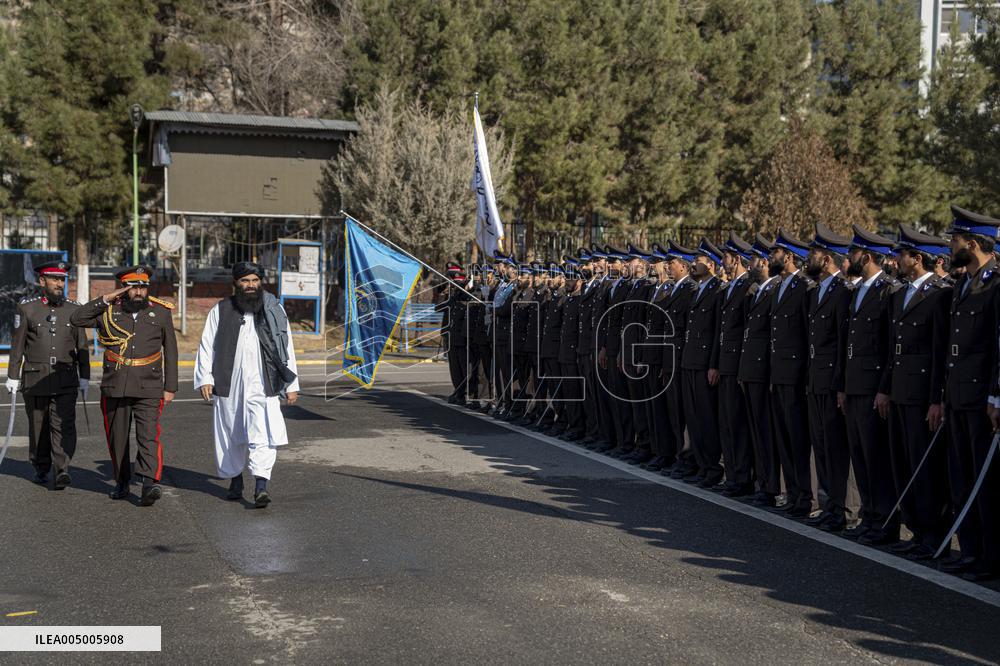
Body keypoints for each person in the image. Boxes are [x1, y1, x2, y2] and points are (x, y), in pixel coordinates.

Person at [193, 262, 300, 508]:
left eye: (254, 280)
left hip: (265, 382)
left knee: (263, 431)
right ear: (236, 283)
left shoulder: (274, 309)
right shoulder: (221, 309)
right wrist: (206, 378)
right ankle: (235, 479)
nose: (250, 285)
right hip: (229, 382)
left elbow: (287, 348)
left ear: (260, 282)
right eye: (245, 281)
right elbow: (206, 346)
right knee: (231, 433)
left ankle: (261, 485)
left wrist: (291, 383)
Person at [71, 266, 178, 505]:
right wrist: (106, 298)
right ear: (123, 287)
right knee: (117, 437)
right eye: (133, 286)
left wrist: (170, 386)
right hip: (116, 383)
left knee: (149, 435)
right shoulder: (108, 310)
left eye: (142, 286)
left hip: (149, 384)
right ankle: (122, 481)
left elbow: (170, 349)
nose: (139, 291)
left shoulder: (160, 312)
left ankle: (150, 482)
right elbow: (77, 318)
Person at [885, 224, 953, 561]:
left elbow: (940, 351)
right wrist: (885, 389)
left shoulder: (940, 294)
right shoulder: (900, 294)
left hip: (922, 394)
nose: (897, 259)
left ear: (918, 258)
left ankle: (931, 532)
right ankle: (914, 528)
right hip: (899, 391)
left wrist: (936, 398)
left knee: (924, 468)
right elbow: (891, 349)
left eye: (902, 254)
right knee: (903, 463)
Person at [944, 206, 1000, 581]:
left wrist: (995, 396)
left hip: (982, 399)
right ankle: (971, 550)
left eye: (957, 240)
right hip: (958, 396)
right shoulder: (965, 282)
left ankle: (991, 558)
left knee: (987, 484)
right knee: (962, 477)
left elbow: (998, 345)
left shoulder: (995, 284)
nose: (951, 246)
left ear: (975, 244)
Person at [5, 260, 89, 489]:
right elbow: (18, 344)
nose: (59, 283)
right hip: (35, 378)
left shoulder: (75, 309)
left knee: (65, 425)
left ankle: (62, 469)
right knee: (38, 427)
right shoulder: (27, 308)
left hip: (66, 379)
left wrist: (85, 376)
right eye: (54, 279)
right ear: (42, 281)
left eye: (62, 279)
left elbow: (82, 345)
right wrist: (13, 375)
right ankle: (41, 466)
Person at [841, 226, 901, 544]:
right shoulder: (860, 289)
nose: (848, 257)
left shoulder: (887, 290)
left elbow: (891, 345)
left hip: (872, 385)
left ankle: (885, 521)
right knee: (860, 455)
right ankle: (869, 515)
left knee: (875, 458)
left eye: (852, 252)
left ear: (865, 255)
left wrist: (884, 387)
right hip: (853, 384)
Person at [804, 223, 852, 532]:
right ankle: (828, 504)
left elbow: (841, 342)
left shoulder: (842, 291)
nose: (809, 258)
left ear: (828, 259)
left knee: (835, 448)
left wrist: (839, 384)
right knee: (821, 445)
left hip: (831, 381)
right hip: (815, 379)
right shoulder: (820, 289)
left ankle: (843, 508)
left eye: (815, 253)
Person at [768, 229, 815, 517]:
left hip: (796, 374)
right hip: (779, 372)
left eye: (775, 252)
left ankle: (807, 497)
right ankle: (794, 493)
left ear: (788, 256)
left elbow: (808, 334)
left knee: (799, 439)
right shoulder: (780, 286)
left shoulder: (804, 287)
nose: (770, 256)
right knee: (785, 438)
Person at [739, 234, 781, 507]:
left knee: (768, 432)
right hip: (752, 372)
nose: (749, 264)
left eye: (753, 259)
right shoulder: (759, 290)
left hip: (766, 373)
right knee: (757, 432)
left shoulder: (775, 289)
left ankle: (773, 486)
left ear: (763, 262)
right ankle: (764, 483)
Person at [680, 238, 725, 487]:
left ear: (711, 264)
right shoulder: (697, 289)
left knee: (706, 418)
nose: (694, 264)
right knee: (693, 417)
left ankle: (711, 467)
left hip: (704, 363)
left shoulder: (717, 289)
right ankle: (698, 463)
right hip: (690, 360)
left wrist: (713, 364)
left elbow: (717, 330)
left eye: (699, 261)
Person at [712, 232, 754, 496]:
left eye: (725, 258)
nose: (722, 263)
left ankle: (742, 477)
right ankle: (732, 475)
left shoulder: (747, 286)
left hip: (738, 364)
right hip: (726, 364)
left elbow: (746, 331)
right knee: (726, 422)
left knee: (737, 425)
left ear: (736, 259)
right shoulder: (731, 287)